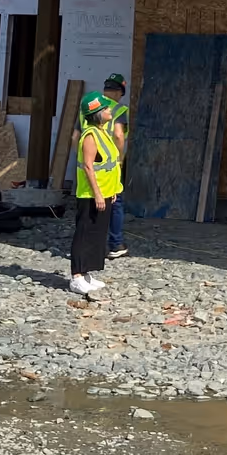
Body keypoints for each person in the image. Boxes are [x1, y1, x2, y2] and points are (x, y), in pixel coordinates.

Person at [69, 92, 121, 297]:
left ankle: (87, 272)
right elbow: (89, 168)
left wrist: (113, 190)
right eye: (106, 109)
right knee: (84, 233)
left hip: (105, 192)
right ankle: (77, 276)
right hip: (90, 195)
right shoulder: (90, 135)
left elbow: (109, 164)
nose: (109, 111)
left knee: (97, 234)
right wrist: (98, 194)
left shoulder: (101, 132)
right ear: (97, 113)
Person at [102, 74, 130, 260]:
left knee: (91, 203)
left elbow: (74, 137)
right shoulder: (119, 109)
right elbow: (119, 136)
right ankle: (115, 244)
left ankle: (91, 244)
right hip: (110, 164)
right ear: (119, 92)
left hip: (88, 163)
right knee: (115, 203)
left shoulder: (88, 106)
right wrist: (119, 159)